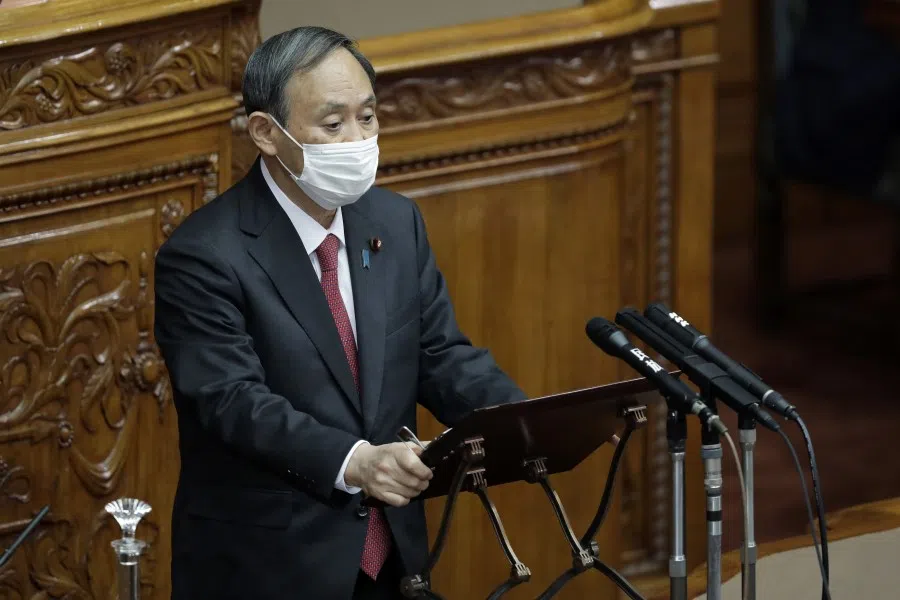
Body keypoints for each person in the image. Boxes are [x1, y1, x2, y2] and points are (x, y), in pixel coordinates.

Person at [154, 26, 526, 600]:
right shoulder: (203, 256)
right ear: (265, 133)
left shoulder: (395, 222)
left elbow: (438, 354)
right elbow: (233, 401)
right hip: (269, 569)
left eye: (369, 118)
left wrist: (524, 421)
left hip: (393, 564)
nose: (357, 139)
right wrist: (355, 462)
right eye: (333, 124)